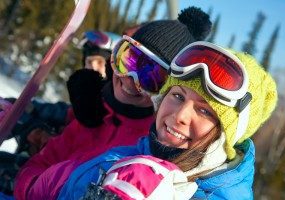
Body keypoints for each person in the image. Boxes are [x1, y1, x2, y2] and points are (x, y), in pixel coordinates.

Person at [14, 7, 212, 200]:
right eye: (128, 61)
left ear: (168, 91)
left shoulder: (149, 145)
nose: (130, 80)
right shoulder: (94, 112)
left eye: (151, 77)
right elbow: (36, 167)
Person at [57, 41, 278, 199]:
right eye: (178, 96)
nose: (180, 115)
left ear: (227, 134)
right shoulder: (121, 155)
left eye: (205, 111)